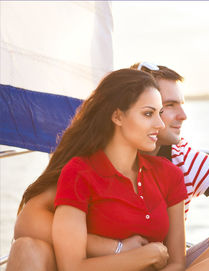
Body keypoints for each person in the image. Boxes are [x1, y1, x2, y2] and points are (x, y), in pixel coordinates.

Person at [7, 64, 209, 270]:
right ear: (119, 115)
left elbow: (176, 259)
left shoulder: (179, 162)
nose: (171, 119)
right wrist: (120, 249)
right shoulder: (82, 168)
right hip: (125, 262)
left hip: (166, 264)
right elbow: (33, 226)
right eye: (156, 110)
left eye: (166, 110)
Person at [9, 69, 189, 271]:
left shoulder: (169, 173)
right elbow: (73, 267)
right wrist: (137, 255)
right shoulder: (79, 172)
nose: (159, 123)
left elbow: (177, 263)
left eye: (160, 113)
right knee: (25, 247)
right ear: (118, 116)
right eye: (148, 114)